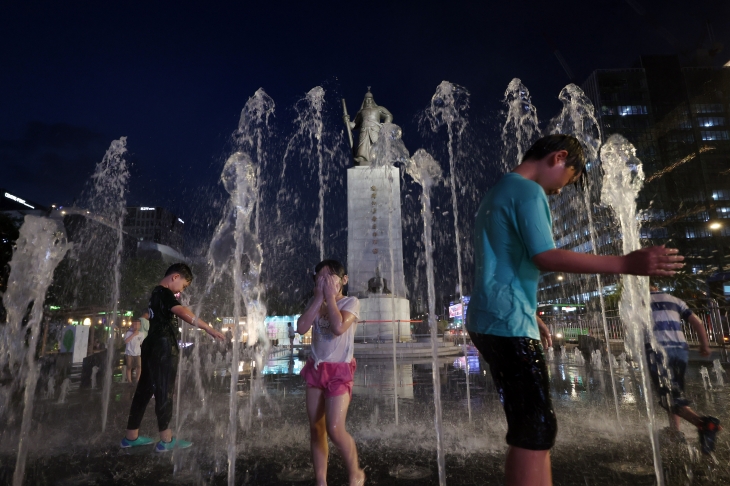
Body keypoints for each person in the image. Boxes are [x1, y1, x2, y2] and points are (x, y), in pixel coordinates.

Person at [465, 134, 684, 486]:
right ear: (559, 157)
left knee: (530, 427)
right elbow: (545, 256)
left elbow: (504, 262)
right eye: (567, 180)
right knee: (535, 430)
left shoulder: (498, 191)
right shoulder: (528, 191)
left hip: (493, 316)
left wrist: (530, 313)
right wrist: (626, 263)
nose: (559, 191)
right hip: (506, 322)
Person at [121, 263, 225, 452]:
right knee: (165, 390)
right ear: (175, 277)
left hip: (151, 344)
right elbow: (182, 312)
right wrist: (208, 328)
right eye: (183, 286)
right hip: (164, 346)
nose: (182, 291)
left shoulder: (155, 293)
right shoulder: (165, 293)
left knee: (144, 391)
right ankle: (166, 440)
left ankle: (131, 436)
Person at [297, 259, 365, 486]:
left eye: (330, 277)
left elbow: (337, 327)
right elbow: (301, 327)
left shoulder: (351, 302)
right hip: (316, 369)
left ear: (344, 280)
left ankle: (355, 471)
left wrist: (328, 299)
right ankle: (320, 480)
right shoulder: (317, 303)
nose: (325, 282)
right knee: (316, 428)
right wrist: (319, 299)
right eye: (320, 278)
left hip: (339, 372)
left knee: (334, 428)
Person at [646, 284, 721, 453]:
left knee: (669, 397)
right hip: (680, 351)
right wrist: (704, 345)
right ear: (658, 288)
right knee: (674, 393)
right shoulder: (675, 300)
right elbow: (698, 323)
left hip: (657, 350)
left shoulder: (641, 301)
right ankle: (674, 431)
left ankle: (703, 424)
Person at [123, 320, 144, 384]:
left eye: (138, 324)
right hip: (129, 353)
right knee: (129, 367)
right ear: (132, 325)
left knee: (139, 366)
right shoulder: (128, 333)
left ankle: (137, 379)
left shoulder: (141, 334)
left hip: (137, 353)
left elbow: (141, 343)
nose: (136, 326)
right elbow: (126, 341)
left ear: (140, 326)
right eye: (135, 324)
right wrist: (134, 334)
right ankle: (129, 381)